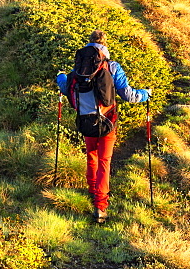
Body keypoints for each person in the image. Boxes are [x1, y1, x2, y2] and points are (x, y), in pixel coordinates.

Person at [57, 30, 150, 224]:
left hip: (85, 120)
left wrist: (60, 77)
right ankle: (100, 206)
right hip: (107, 121)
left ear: (89, 44)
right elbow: (129, 96)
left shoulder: (79, 69)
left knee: (91, 154)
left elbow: (66, 87)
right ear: (105, 46)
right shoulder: (112, 67)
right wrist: (145, 94)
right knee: (104, 161)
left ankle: (92, 191)